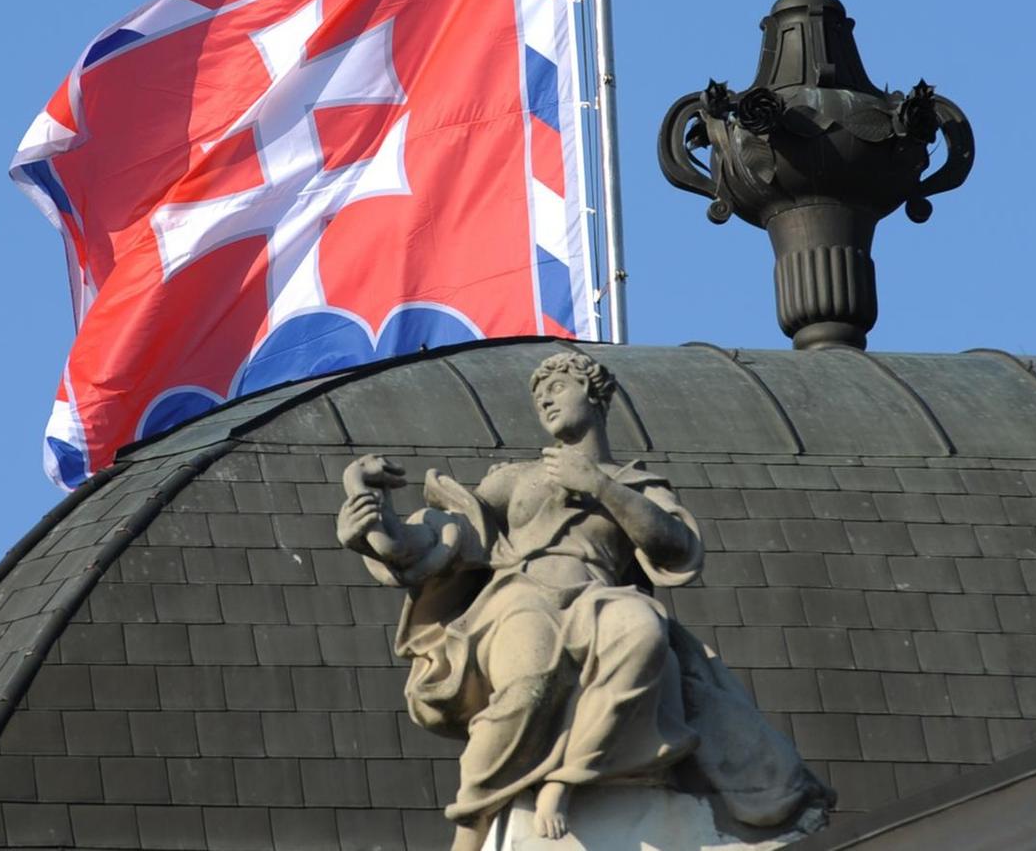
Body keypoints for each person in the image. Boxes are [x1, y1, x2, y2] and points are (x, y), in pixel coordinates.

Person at [338, 352, 825, 849]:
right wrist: (379, 525)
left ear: (595, 395)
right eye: (538, 393)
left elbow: (674, 544)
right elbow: (455, 531)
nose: (545, 398)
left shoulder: (634, 484)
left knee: (643, 631)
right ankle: (472, 819)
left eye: (558, 386)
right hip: (521, 595)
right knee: (530, 682)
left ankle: (567, 777)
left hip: (597, 596)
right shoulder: (517, 479)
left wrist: (600, 486)